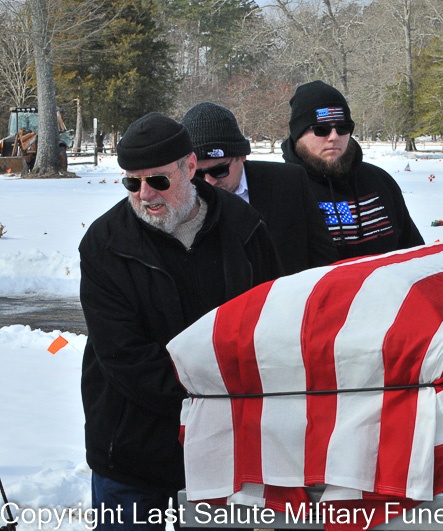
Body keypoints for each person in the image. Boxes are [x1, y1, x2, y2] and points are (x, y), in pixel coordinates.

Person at [80, 112, 283, 530]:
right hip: (134, 454)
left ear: (189, 167)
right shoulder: (106, 245)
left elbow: (272, 325)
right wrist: (208, 403)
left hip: (229, 450)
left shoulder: (244, 227)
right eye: (132, 182)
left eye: (158, 180)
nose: (145, 195)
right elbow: (125, 357)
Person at [181, 102, 337, 275]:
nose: (209, 182)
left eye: (219, 170)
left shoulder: (288, 183)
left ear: (242, 155)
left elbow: (322, 254)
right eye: (197, 174)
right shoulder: (176, 198)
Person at [281, 80, 424, 259]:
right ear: (298, 134)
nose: (334, 137)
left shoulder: (379, 181)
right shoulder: (283, 191)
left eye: (343, 128)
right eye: (321, 129)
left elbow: (413, 253)